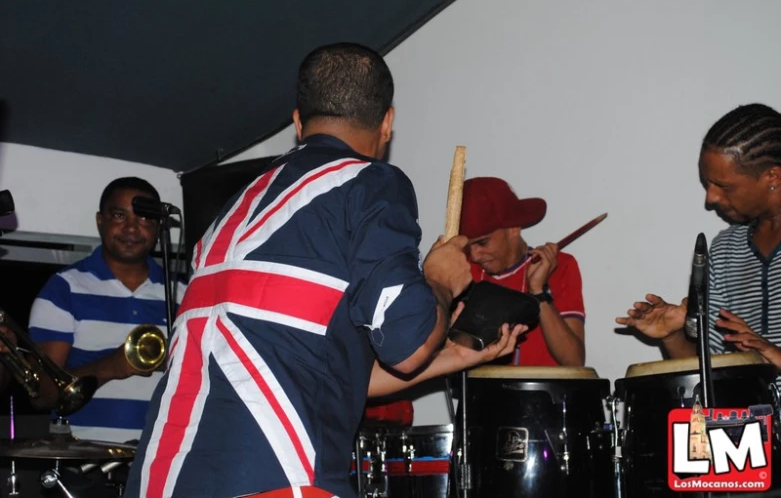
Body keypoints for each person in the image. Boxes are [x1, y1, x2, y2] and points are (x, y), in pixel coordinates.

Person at [123, 43, 525, 498]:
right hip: (277, 477)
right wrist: (440, 279)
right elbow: (408, 346)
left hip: (161, 478)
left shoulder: (235, 208)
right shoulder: (369, 184)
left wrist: (452, 358)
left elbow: (324, 372)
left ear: (298, 122)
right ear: (387, 123)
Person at [616, 103, 781, 367]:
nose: (711, 197)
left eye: (723, 186)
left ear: (772, 176)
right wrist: (672, 337)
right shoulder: (726, 249)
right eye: (707, 184)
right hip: (744, 410)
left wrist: (771, 353)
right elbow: (712, 369)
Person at [26, 177, 184, 443]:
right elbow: (42, 394)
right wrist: (113, 366)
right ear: (101, 221)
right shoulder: (64, 289)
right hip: (86, 465)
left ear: (159, 226)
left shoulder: (182, 294)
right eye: (119, 215)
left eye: (144, 218)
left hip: (163, 462)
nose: (132, 228)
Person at [459, 177, 586, 366]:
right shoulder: (462, 270)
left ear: (513, 229)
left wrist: (538, 291)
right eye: (468, 247)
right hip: (480, 394)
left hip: (544, 393)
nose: (475, 256)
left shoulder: (560, 266)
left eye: (482, 242)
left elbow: (574, 361)